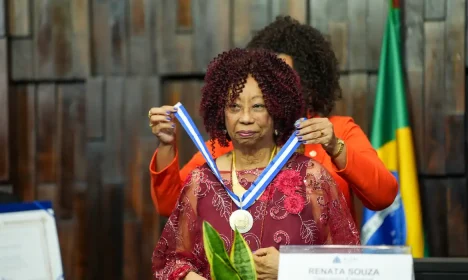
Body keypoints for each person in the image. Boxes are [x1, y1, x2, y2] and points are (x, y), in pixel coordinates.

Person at [148, 16, 398, 221]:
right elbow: (170, 206)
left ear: (307, 80)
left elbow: (383, 196)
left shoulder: (338, 130)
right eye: (267, 77)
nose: (275, 85)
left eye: (284, 75)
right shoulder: (231, 140)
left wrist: (335, 147)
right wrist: (167, 147)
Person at [152, 48, 360, 280]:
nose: (246, 117)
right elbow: (172, 262)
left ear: (278, 110)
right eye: (234, 106)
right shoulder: (202, 181)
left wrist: (290, 269)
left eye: (258, 106)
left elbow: (349, 265)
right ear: (221, 113)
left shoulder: (311, 177)